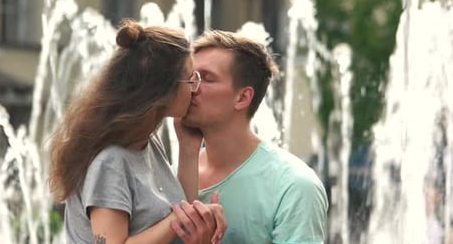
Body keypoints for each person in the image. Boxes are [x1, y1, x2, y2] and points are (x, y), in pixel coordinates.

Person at [48, 20, 226, 244]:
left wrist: (188, 150)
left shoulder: (147, 141)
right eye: (191, 79)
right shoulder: (110, 161)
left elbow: (181, 226)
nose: (196, 88)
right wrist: (178, 219)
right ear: (162, 89)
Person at [182, 30, 329, 243]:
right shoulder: (172, 174)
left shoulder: (294, 186)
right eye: (190, 77)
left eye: (206, 78)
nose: (191, 88)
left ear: (242, 97)